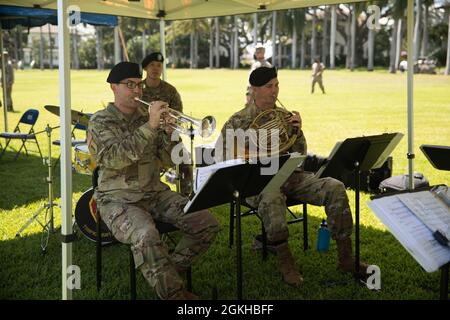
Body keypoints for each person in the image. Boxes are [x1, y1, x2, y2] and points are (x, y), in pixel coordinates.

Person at [216, 66, 368, 287]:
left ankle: (346, 258)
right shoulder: (236, 122)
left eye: (277, 85)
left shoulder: (285, 117)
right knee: (271, 196)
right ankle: (286, 262)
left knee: (334, 186)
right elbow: (222, 158)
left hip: (290, 176)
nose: (275, 91)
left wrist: (298, 130)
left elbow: (300, 154)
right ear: (254, 90)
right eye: (269, 86)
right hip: (255, 184)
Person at [88, 62, 220, 300]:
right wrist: (150, 126)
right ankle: (174, 294)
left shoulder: (147, 119)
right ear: (113, 88)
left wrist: (171, 134)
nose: (137, 91)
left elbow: (169, 160)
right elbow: (114, 157)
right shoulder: (100, 121)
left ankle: (167, 270)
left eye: (139, 84)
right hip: (118, 200)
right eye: (130, 85)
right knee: (146, 235)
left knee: (207, 222)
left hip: (154, 193)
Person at [141, 52, 193, 197]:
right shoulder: (139, 90)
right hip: (146, 137)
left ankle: (185, 198)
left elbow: (178, 116)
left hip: (168, 135)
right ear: (145, 68)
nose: (156, 68)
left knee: (185, 159)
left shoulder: (170, 90)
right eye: (152, 65)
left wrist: (170, 121)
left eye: (159, 65)